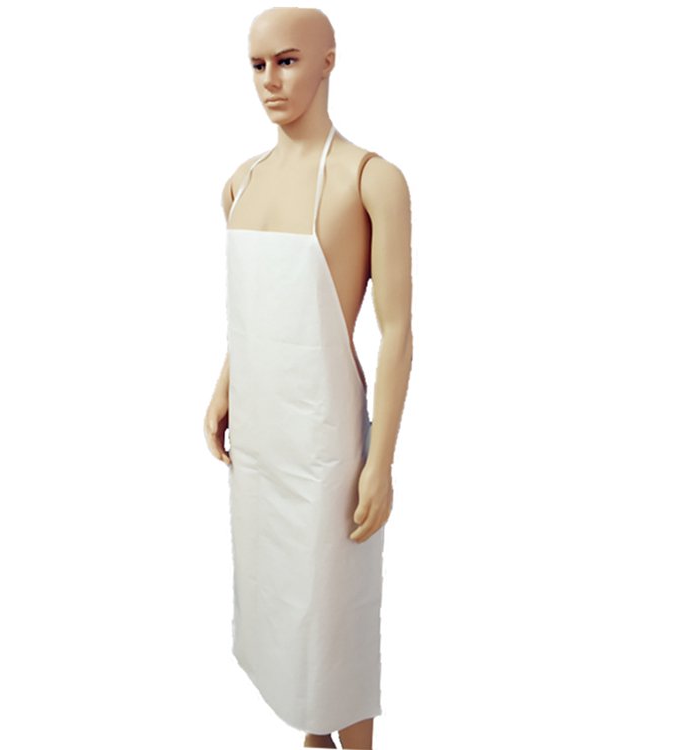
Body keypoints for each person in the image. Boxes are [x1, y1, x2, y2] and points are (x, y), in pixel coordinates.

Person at [204, 7, 412, 749]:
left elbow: (396, 332)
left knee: (335, 622)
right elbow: (254, 309)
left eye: (288, 61)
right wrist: (226, 385)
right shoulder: (240, 183)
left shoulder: (369, 179)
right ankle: (310, 739)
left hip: (327, 443)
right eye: (258, 65)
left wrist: (380, 462)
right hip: (263, 440)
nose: (271, 81)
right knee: (279, 609)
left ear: (328, 61)